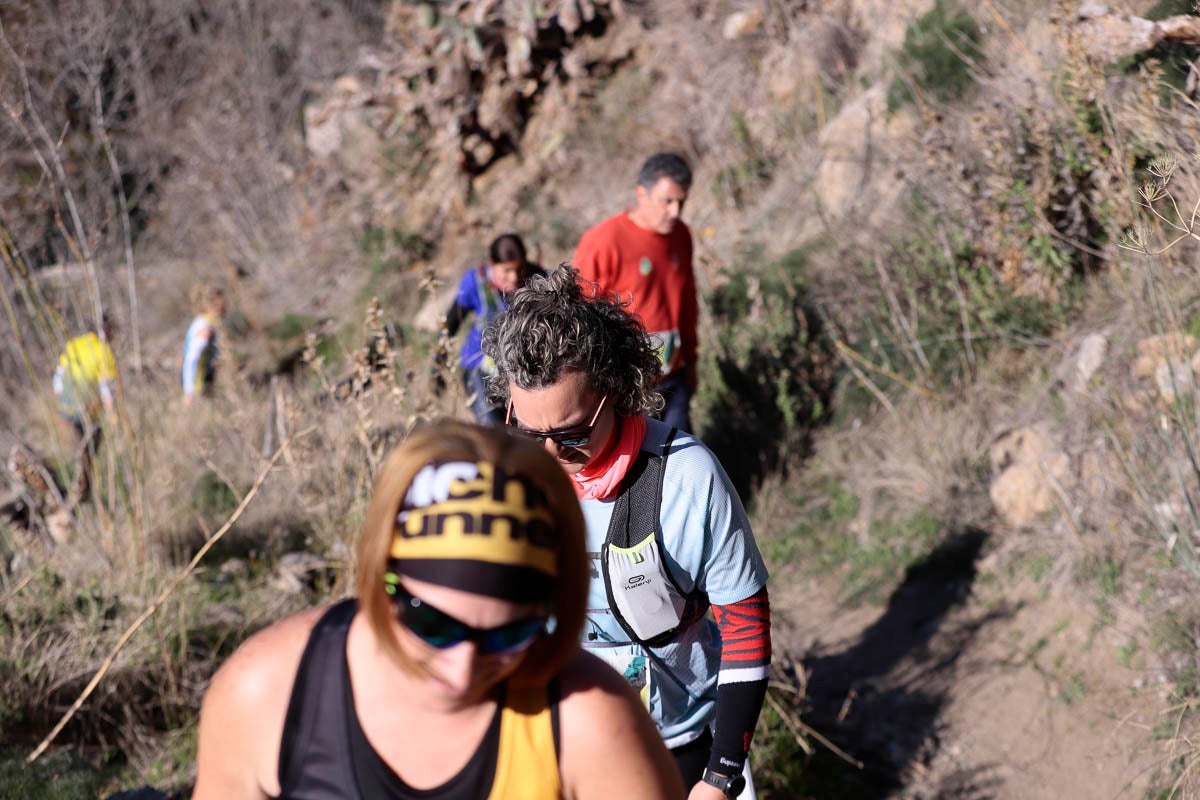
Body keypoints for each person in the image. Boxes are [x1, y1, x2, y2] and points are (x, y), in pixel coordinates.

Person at [192, 419, 684, 800]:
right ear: (378, 578)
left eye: (508, 634)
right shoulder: (268, 695)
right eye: (432, 623)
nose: (461, 669)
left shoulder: (591, 723)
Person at [486, 267, 771, 800]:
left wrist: (720, 777)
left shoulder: (687, 479)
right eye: (527, 434)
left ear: (615, 391)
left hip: (683, 744)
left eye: (570, 436)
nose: (548, 456)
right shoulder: (503, 479)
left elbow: (747, 634)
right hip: (557, 748)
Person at [573, 152, 698, 433]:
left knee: (677, 457)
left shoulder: (681, 236)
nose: (675, 212)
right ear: (642, 194)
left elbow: (687, 299)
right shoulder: (604, 241)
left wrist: (691, 358)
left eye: (681, 201)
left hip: (673, 377)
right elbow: (580, 313)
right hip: (627, 384)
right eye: (667, 202)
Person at [437, 234, 546, 426]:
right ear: (492, 264)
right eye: (507, 271)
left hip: (524, 369)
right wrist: (437, 366)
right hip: (479, 367)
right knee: (493, 430)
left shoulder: (540, 280)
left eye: (519, 269)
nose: (514, 277)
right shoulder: (475, 282)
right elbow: (451, 323)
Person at [52, 314, 119, 504]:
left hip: (65, 407)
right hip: (85, 410)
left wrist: (62, 403)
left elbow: (58, 379)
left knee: (77, 449)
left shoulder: (73, 345)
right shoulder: (104, 351)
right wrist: (113, 416)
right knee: (88, 450)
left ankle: (79, 488)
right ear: (105, 331)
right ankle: (85, 492)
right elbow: (106, 389)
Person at [181, 284, 226, 408]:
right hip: (198, 389)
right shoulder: (205, 327)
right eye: (221, 303)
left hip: (202, 386)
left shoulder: (205, 323)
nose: (225, 307)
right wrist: (189, 392)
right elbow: (191, 359)